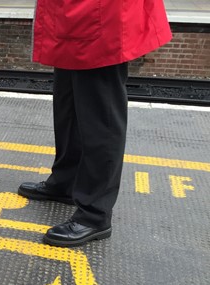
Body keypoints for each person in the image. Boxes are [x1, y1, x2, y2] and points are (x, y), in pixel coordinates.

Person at [18, 0, 172, 247]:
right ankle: (66, 182)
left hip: (100, 12)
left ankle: (95, 213)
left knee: (101, 115)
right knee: (68, 104)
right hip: (75, 12)